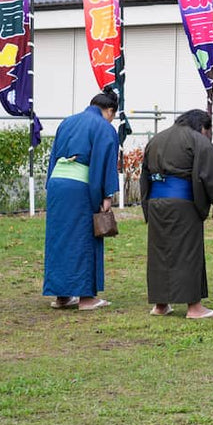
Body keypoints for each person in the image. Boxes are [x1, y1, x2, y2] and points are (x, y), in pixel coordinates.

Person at [141, 109, 213, 319]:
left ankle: (161, 304)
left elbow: (144, 174)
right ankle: (194, 307)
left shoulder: (157, 139)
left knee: (160, 253)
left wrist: (146, 205)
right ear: (203, 127)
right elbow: (209, 174)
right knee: (189, 252)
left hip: (156, 201)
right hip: (183, 202)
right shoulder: (198, 140)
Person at [43, 91, 120, 311]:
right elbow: (104, 161)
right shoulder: (104, 127)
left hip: (58, 184)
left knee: (59, 238)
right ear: (110, 111)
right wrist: (106, 195)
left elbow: (54, 155)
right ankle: (87, 298)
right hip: (80, 186)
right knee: (84, 238)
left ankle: (62, 296)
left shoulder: (67, 122)